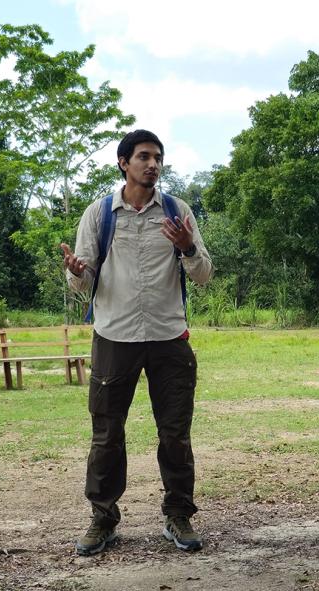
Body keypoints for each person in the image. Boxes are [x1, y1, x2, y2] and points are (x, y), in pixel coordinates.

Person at [61, 130, 213, 556]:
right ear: (123, 163)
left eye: (158, 157)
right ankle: (103, 518)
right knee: (107, 434)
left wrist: (186, 248)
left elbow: (204, 275)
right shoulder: (99, 213)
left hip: (169, 337)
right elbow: (83, 281)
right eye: (144, 156)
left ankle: (178, 514)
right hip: (115, 337)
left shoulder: (178, 211)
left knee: (176, 433)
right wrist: (75, 270)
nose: (153, 164)